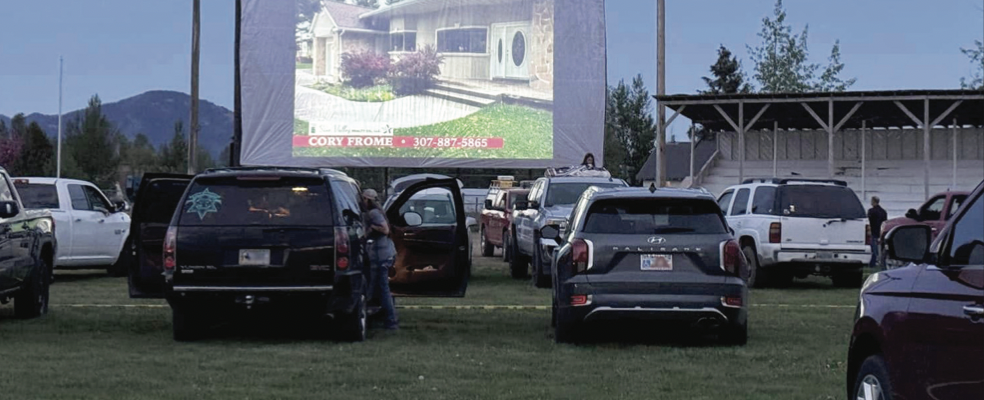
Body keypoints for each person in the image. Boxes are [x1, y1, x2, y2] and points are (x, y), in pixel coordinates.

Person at [361, 188, 399, 330]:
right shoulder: (379, 212)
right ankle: (385, 317)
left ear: (367, 200)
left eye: (364, 199)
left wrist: (371, 227)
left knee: (383, 290)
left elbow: (385, 229)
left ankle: (391, 321)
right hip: (386, 254)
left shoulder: (373, 213)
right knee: (381, 289)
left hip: (381, 256)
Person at [867, 196, 888, 269]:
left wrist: (869, 230)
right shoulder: (883, 211)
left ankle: (873, 263)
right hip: (881, 232)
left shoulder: (871, 211)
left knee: (874, 248)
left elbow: (869, 221)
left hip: (874, 232)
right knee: (881, 249)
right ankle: (881, 262)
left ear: (873, 202)